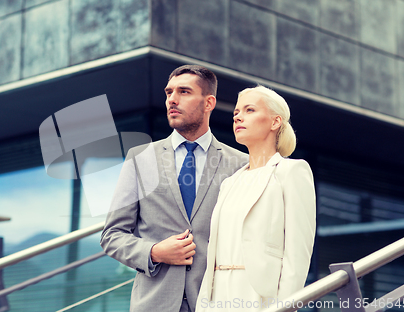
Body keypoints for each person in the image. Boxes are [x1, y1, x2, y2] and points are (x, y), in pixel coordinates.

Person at [100, 65, 248, 312]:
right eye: (169, 92)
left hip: (218, 302)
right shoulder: (140, 159)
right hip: (154, 303)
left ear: (209, 102)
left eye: (184, 92)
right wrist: (155, 251)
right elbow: (112, 235)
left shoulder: (241, 164)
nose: (172, 100)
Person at [196, 86, 316, 311]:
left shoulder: (291, 172)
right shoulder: (230, 183)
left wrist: (285, 306)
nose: (238, 117)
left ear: (275, 122)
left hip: (260, 297)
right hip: (218, 297)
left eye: (249, 110)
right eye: (236, 113)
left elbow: (297, 253)